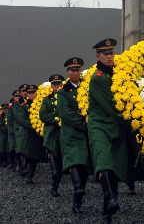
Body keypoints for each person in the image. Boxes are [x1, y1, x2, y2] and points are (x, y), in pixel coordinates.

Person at [88, 39, 144, 224]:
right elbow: (111, 106)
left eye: (111, 53)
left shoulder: (119, 75)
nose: (109, 57)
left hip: (116, 128)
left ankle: (110, 203)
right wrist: (136, 120)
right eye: (105, 54)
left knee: (115, 167)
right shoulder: (97, 78)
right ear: (98, 56)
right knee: (104, 161)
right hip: (101, 126)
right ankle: (111, 198)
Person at [57, 57, 91, 214]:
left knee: (84, 165)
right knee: (74, 161)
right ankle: (77, 188)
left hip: (86, 135)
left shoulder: (88, 87)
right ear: (68, 72)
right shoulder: (63, 91)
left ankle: (79, 196)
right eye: (72, 70)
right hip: (71, 133)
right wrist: (83, 124)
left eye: (77, 70)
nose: (75, 72)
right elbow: (65, 113)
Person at [39, 74, 64, 197]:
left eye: (58, 84)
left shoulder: (66, 96)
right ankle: (55, 187)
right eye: (54, 84)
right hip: (52, 133)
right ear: (51, 86)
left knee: (61, 161)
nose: (56, 86)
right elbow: (43, 115)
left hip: (64, 133)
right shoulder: (47, 100)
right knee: (54, 159)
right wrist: (56, 117)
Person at [15, 85, 44, 183]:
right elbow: (20, 118)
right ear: (27, 94)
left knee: (34, 157)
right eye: (30, 93)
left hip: (36, 134)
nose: (32, 95)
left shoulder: (40, 103)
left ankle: (30, 176)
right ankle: (24, 168)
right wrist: (33, 126)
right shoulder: (23, 105)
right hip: (26, 132)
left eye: (33, 92)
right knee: (24, 152)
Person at [6, 97, 16, 169]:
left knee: (18, 148)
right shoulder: (10, 108)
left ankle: (16, 163)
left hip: (19, 130)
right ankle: (11, 162)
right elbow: (10, 120)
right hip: (12, 130)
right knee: (12, 148)